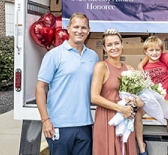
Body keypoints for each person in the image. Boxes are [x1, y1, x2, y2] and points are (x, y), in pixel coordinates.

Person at [35, 12, 99, 155]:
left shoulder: (93, 56)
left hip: (85, 124)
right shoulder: (53, 55)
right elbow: (40, 87)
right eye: (76, 27)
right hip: (59, 124)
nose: (79, 31)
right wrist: (45, 120)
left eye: (83, 28)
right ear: (68, 28)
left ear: (88, 31)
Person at [91, 28, 144, 155]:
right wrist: (121, 109)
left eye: (116, 43)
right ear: (104, 48)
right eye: (109, 45)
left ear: (122, 45)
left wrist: (136, 101)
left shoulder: (129, 69)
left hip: (125, 120)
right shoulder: (101, 67)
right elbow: (94, 97)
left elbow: (140, 100)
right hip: (107, 118)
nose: (113, 47)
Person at [135, 36, 168, 155]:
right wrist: (140, 67)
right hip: (148, 100)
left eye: (157, 50)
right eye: (151, 50)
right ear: (146, 52)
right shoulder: (143, 68)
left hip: (165, 99)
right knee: (137, 115)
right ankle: (141, 146)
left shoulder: (166, 63)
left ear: (161, 50)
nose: (154, 53)